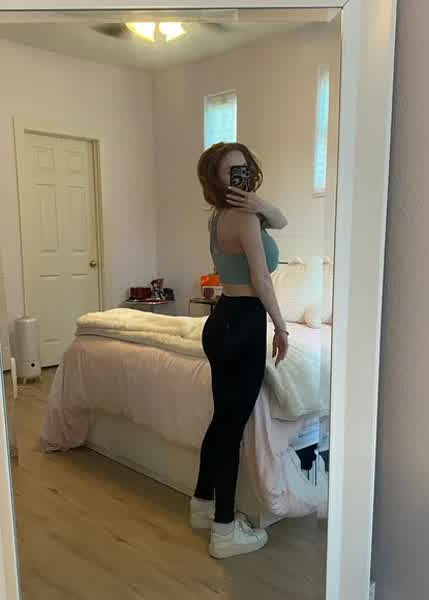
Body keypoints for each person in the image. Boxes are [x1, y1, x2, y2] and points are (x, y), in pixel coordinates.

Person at [190, 142, 290, 559]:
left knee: (222, 422)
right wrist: (281, 327)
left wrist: (258, 203)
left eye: (243, 168)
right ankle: (225, 531)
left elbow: (281, 220)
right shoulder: (245, 220)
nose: (239, 176)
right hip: (244, 324)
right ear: (215, 179)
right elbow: (262, 280)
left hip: (221, 320)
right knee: (231, 430)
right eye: (230, 171)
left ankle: (202, 504)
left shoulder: (219, 217)